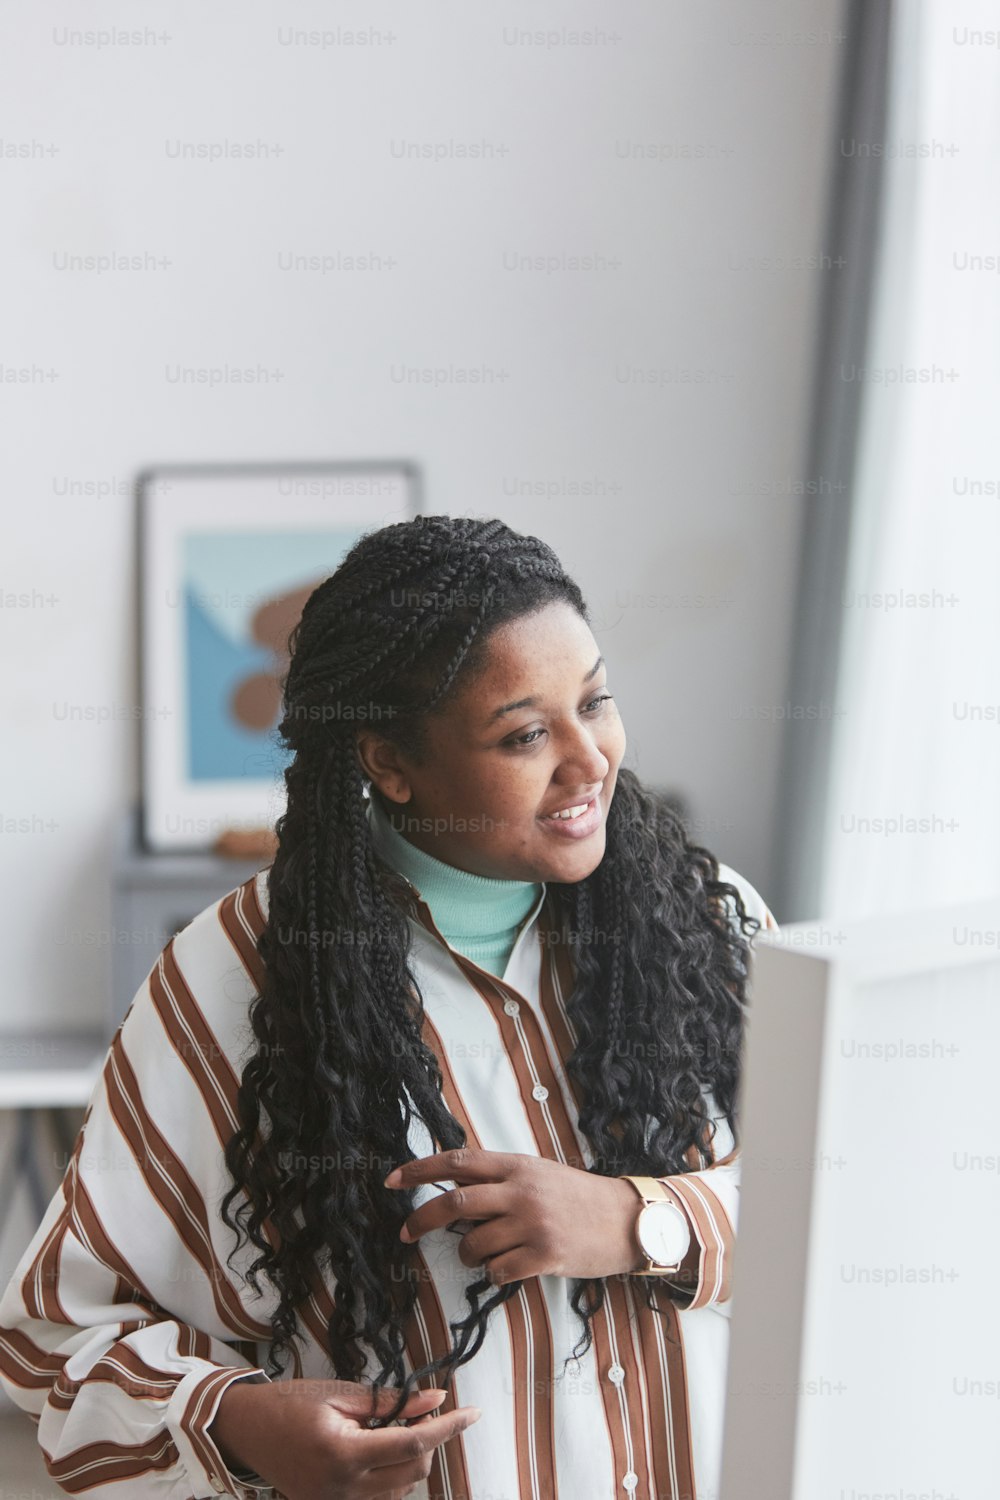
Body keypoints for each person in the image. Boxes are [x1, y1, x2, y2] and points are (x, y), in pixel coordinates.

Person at [0, 515, 777, 1499]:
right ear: (390, 764)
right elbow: (60, 1343)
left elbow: (851, 1205)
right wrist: (236, 1423)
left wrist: (637, 1219)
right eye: (526, 733)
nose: (589, 759)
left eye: (597, 701)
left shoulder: (716, 923)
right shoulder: (232, 984)